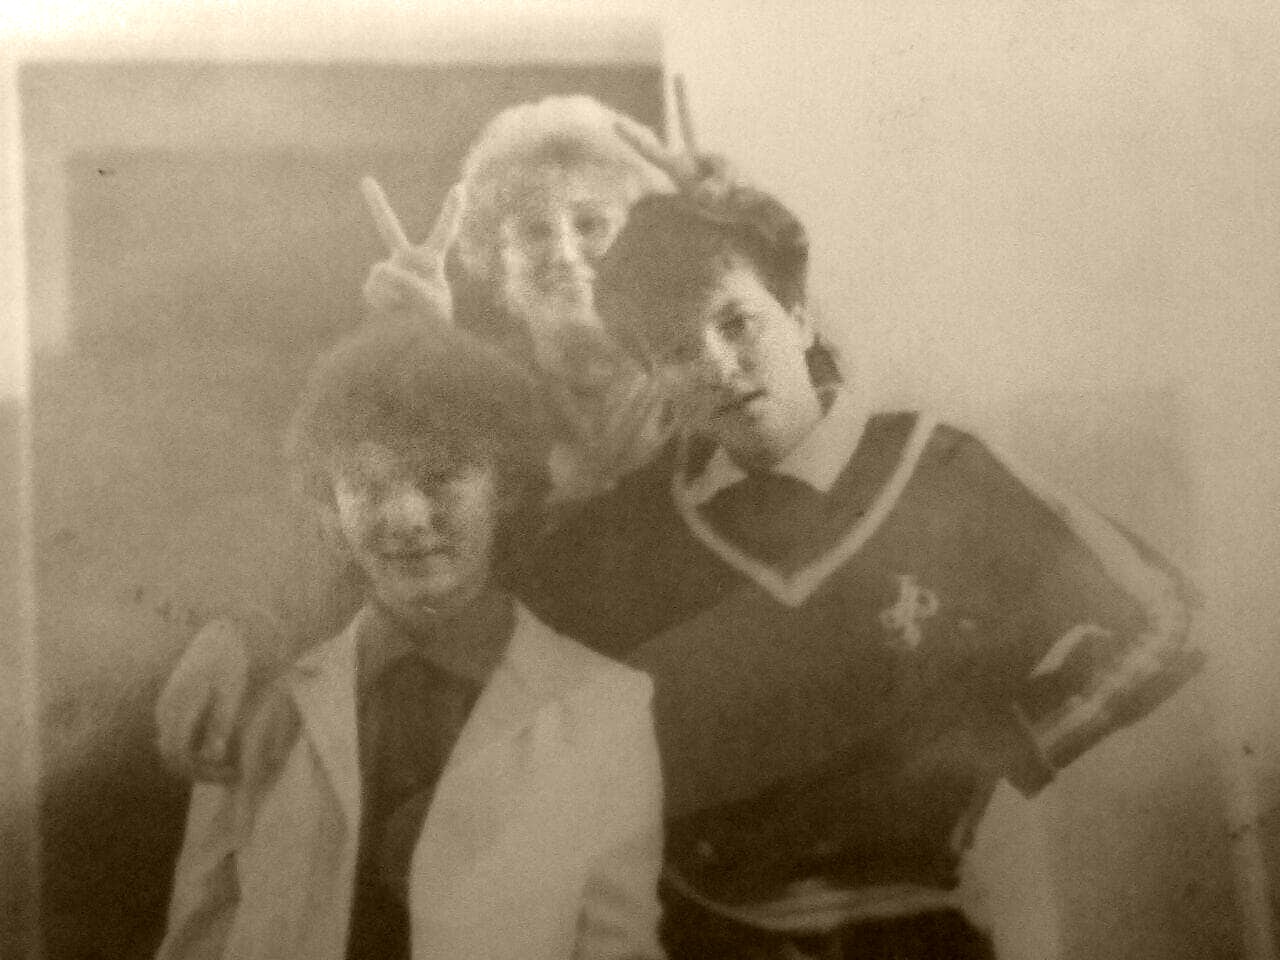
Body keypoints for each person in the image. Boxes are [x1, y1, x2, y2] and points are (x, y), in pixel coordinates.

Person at [509, 185, 1203, 959]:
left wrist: (1021, 740)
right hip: (707, 932)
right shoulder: (637, 527)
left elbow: (1165, 611)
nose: (720, 367)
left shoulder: (940, 469)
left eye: (737, 323)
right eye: (677, 352)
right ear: (654, 378)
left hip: (918, 924)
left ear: (799, 317)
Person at [155, 93, 703, 780]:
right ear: (496, 261)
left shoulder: (707, 383)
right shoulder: (476, 399)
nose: (563, 253)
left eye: (591, 224)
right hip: (509, 747)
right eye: (532, 233)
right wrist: (239, 632)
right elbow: (338, 529)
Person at [154, 318, 666, 960]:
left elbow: (619, 948)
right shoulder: (265, 703)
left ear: (506, 488)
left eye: (439, 478)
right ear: (329, 507)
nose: (405, 518)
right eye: (367, 487)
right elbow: (198, 930)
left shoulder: (601, 708)